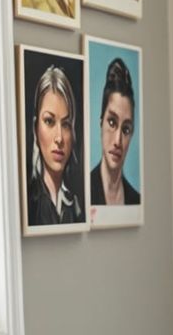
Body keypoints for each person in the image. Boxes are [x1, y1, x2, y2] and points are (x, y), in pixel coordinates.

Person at [25, 64, 83, 227]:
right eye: (49, 121)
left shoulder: (76, 207)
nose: (59, 138)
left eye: (65, 124)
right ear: (36, 128)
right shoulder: (30, 202)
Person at [89, 56, 140, 207]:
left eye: (126, 129)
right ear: (101, 122)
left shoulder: (136, 200)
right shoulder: (83, 194)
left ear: (131, 134)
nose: (118, 140)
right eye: (112, 122)